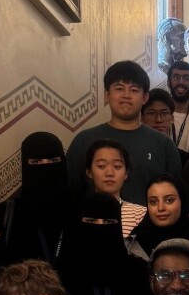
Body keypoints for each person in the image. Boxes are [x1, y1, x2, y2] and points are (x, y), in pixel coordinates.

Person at [66, 61, 183, 203]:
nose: (126, 95)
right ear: (107, 95)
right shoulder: (84, 141)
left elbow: (175, 197)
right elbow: (71, 196)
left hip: (148, 225)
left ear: (144, 98)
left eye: (134, 90)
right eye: (119, 89)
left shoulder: (163, 144)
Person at [8, 132, 72, 264]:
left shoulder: (81, 211)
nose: (45, 166)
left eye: (53, 160)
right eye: (36, 161)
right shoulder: (8, 213)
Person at [83, 139, 147, 242]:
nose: (110, 173)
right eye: (101, 166)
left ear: (126, 173)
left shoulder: (140, 214)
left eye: (117, 166)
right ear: (89, 172)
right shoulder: (77, 213)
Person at [129, 173, 189, 260]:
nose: (160, 208)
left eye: (169, 200)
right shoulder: (132, 245)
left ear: (182, 201)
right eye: (153, 202)